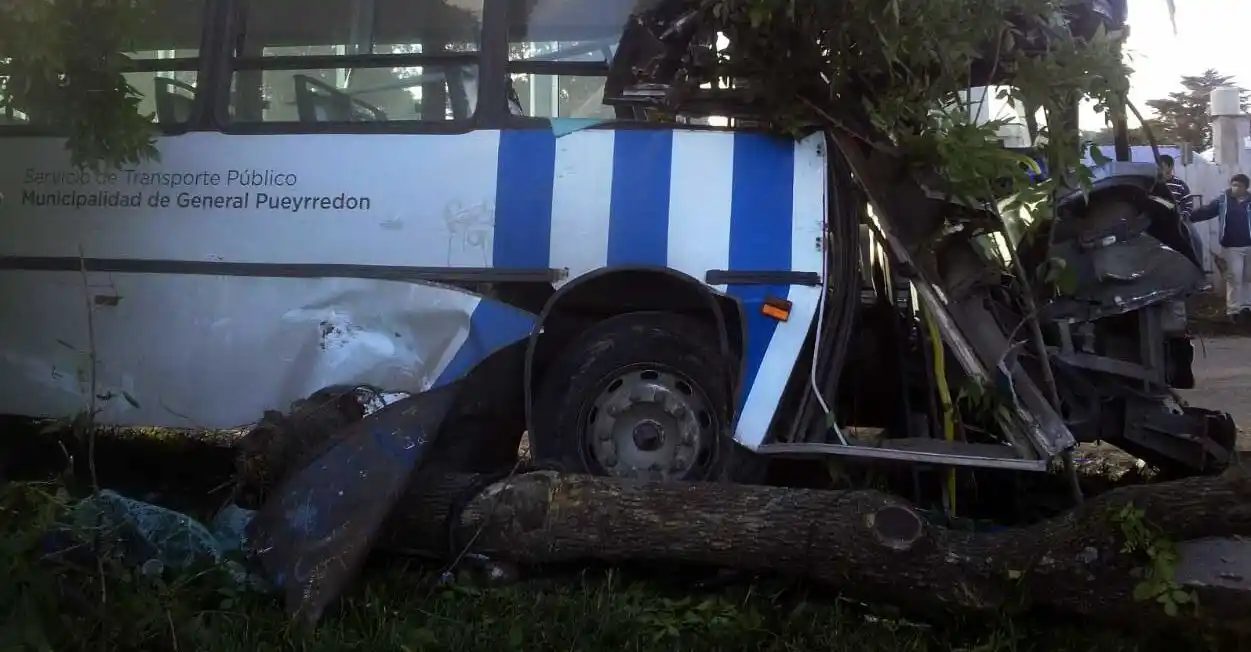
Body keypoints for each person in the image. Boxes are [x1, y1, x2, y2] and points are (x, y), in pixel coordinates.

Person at [1191, 174, 1251, 318]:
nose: (1235, 188)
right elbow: (1207, 211)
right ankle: (1233, 310)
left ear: (1246, 188)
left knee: (1248, 277)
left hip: (1250, 245)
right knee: (1234, 277)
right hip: (1231, 246)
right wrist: (1189, 217)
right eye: (1233, 184)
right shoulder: (1223, 200)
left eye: (1239, 185)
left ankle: (1247, 306)